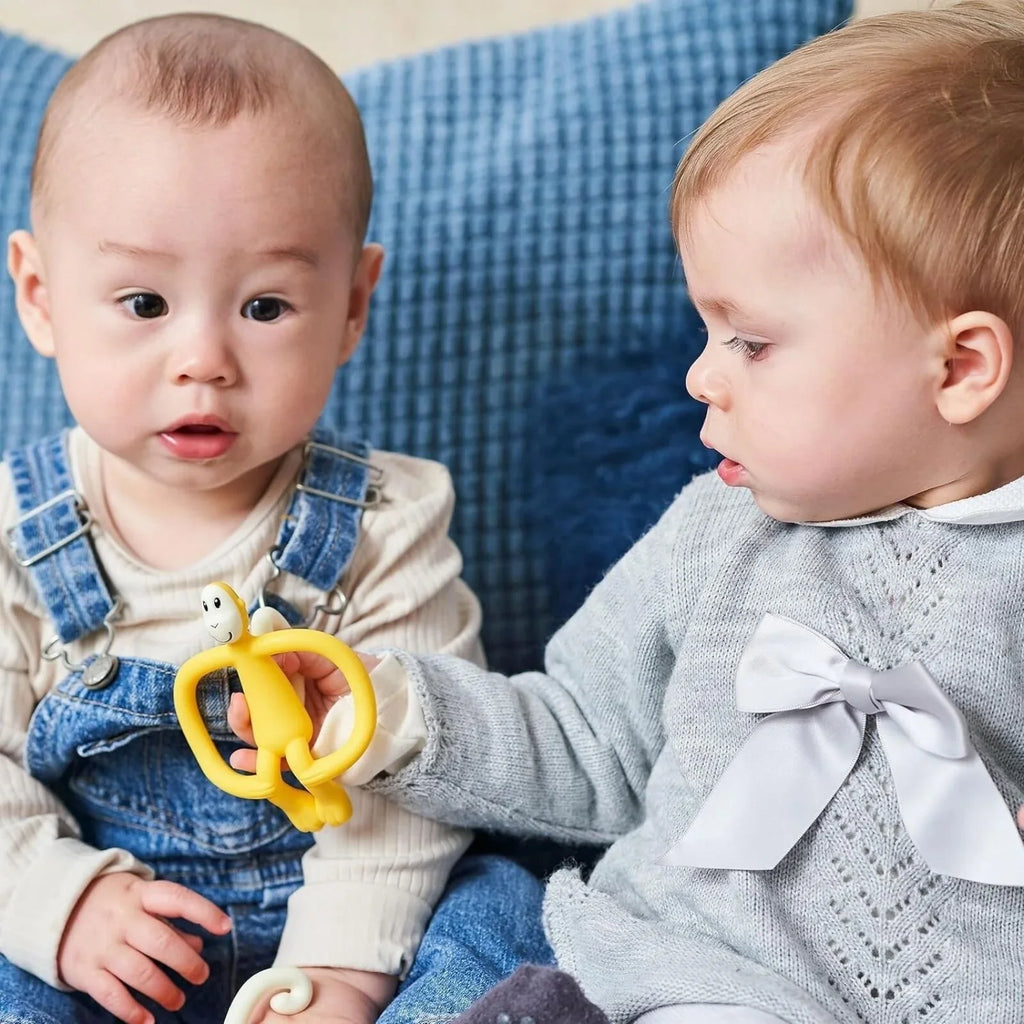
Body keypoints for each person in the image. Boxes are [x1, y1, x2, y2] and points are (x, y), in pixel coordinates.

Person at [230, 1, 1024, 1020]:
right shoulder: (716, 536)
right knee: (498, 951)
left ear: (958, 367)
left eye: (750, 341)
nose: (702, 376)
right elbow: (587, 739)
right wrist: (385, 713)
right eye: (706, 330)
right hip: (689, 980)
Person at [0, 12, 487, 1024]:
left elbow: (413, 782)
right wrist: (61, 903)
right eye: (144, 303)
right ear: (40, 295)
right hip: (106, 951)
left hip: (355, 919)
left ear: (353, 304)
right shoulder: (15, 533)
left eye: (264, 307)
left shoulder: (385, 527)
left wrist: (338, 978)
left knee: (505, 921)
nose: (205, 360)